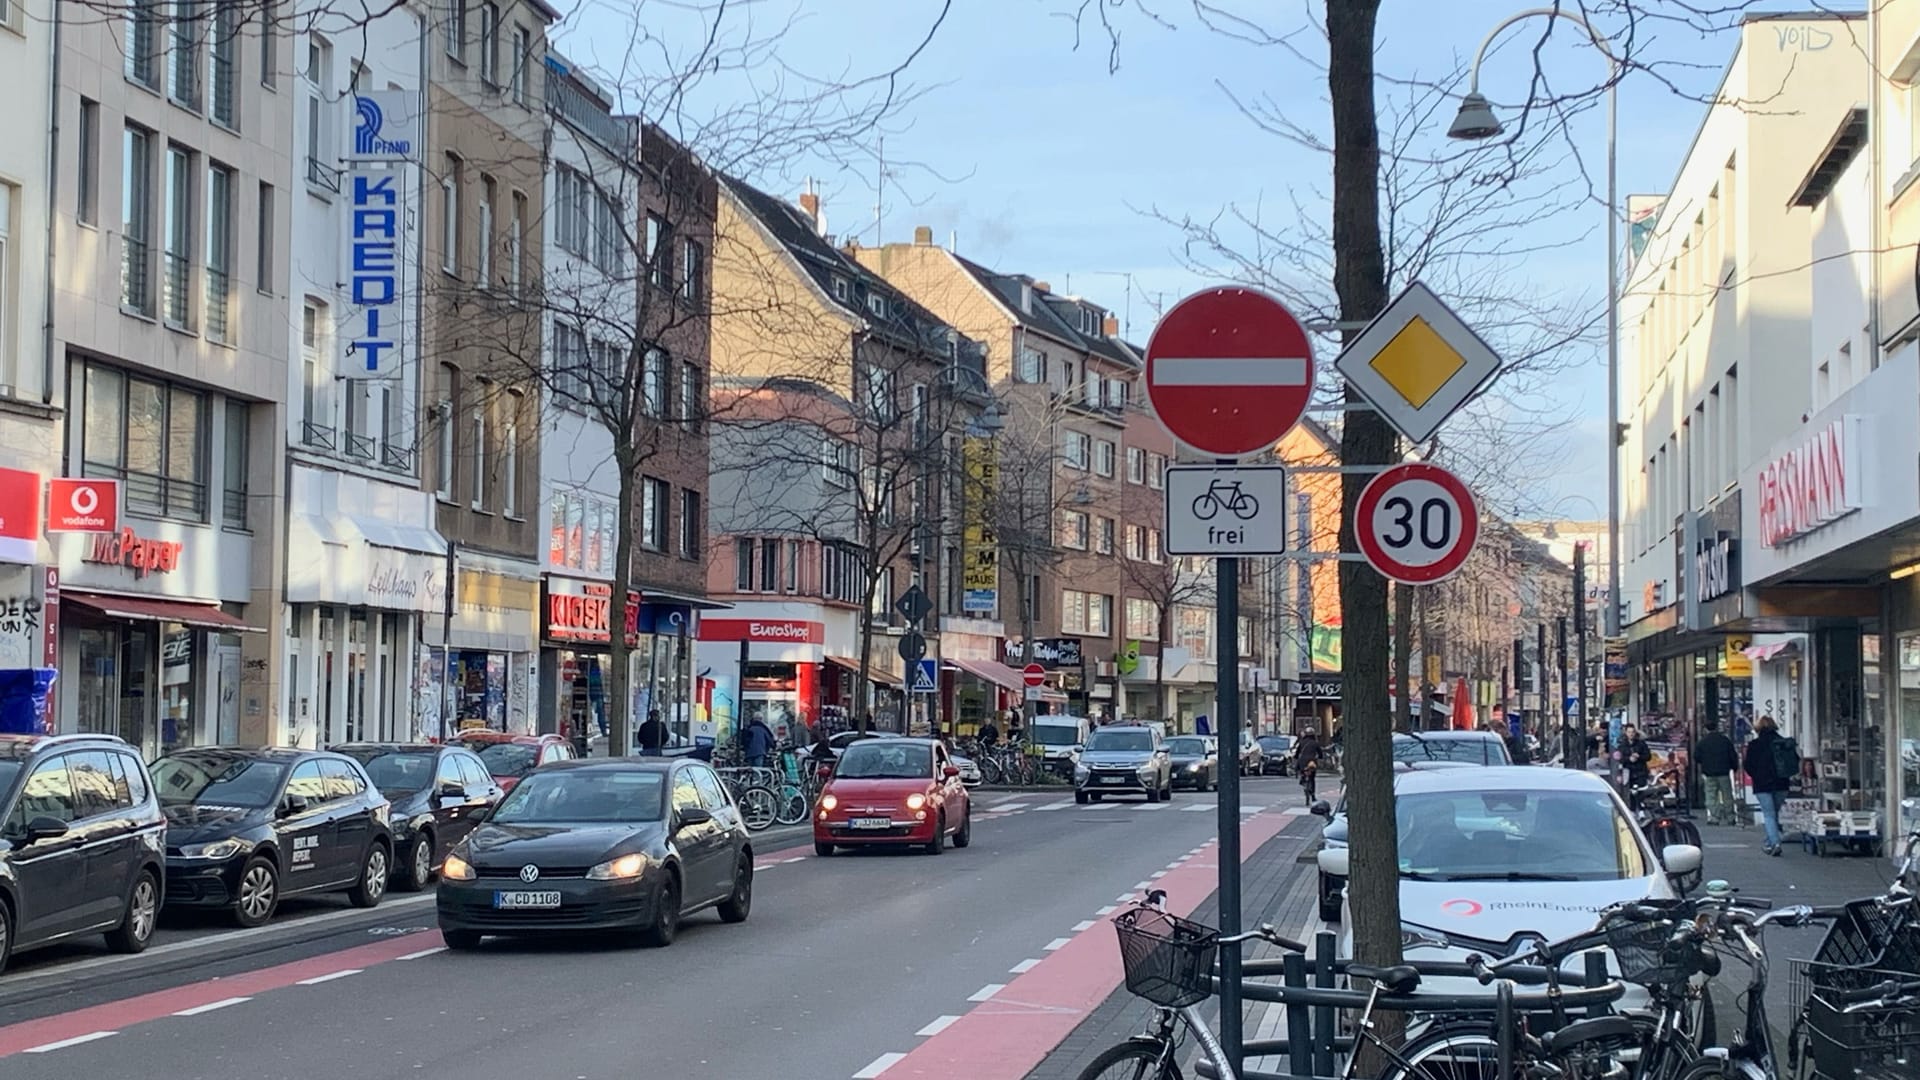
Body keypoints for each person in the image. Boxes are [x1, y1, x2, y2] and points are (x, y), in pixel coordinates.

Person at [1743, 715, 1796, 856]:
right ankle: (1769, 841)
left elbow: (1748, 765)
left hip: (1762, 784)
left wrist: (1757, 775)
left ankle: (1774, 843)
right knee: (1774, 813)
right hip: (1782, 783)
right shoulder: (1783, 743)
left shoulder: (1755, 745)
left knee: (1769, 814)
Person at [1694, 719, 1738, 826]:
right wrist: (1733, 767)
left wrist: (1704, 764)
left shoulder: (1703, 742)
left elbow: (1696, 757)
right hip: (1724, 772)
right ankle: (1730, 817)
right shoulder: (1725, 740)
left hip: (1709, 773)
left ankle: (1714, 817)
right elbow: (1733, 755)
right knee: (1727, 795)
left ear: (1705, 729)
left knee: (1711, 796)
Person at [1619, 723, 1652, 788]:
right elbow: (1619, 759)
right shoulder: (1622, 745)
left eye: (1632, 732)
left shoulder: (1641, 744)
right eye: (1629, 732)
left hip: (1640, 773)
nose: (1631, 734)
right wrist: (1628, 759)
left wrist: (1639, 756)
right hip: (1628, 774)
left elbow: (1648, 756)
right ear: (1626, 733)